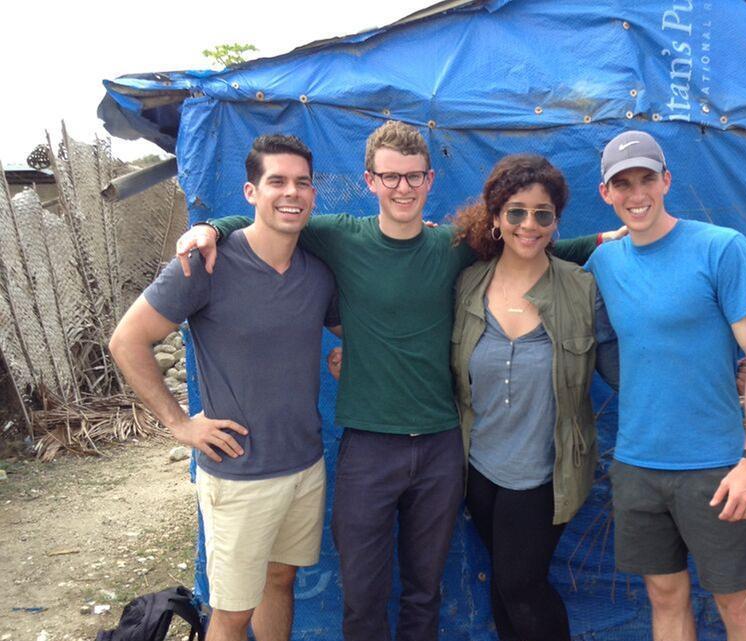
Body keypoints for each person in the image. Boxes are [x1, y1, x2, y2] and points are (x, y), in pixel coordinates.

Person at [173, 120, 625, 641]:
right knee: (362, 596)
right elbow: (272, 221)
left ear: (430, 179)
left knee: (423, 592)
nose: (403, 188)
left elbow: (529, 245)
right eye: (390, 177)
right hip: (368, 445)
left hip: (440, 445)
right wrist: (215, 227)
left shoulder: (453, 248)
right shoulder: (339, 236)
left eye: (413, 177)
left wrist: (598, 240)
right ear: (370, 181)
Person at [109, 134, 340, 641]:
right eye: (276, 181)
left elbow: (359, 334)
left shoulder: (318, 273)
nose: (291, 193)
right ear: (251, 192)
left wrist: (356, 354)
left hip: (304, 463)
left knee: (282, 580)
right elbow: (127, 340)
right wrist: (178, 424)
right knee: (231, 613)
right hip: (238, 473)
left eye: (302, 182)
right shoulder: (205, 264)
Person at [585, 131, 746, 641]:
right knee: (663, 596)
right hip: (637, 465)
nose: (636, 194)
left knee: (737, 604)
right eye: (621, 184)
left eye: (646, 178)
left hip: (718, 469)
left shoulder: (720, 248)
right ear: (605, 193)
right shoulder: (603, 264)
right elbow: (530, 263)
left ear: (666, 180)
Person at [448, 154, 619, 640]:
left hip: (547, 470)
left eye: (543, 214)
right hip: (477, 468)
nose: (529, 224)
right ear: (497, 217)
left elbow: (619, 367)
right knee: (505, 588)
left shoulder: (582, 288)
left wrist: (707, 370)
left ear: (557, 221)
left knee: (520, 585)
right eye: (517, 212)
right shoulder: (468, 284)